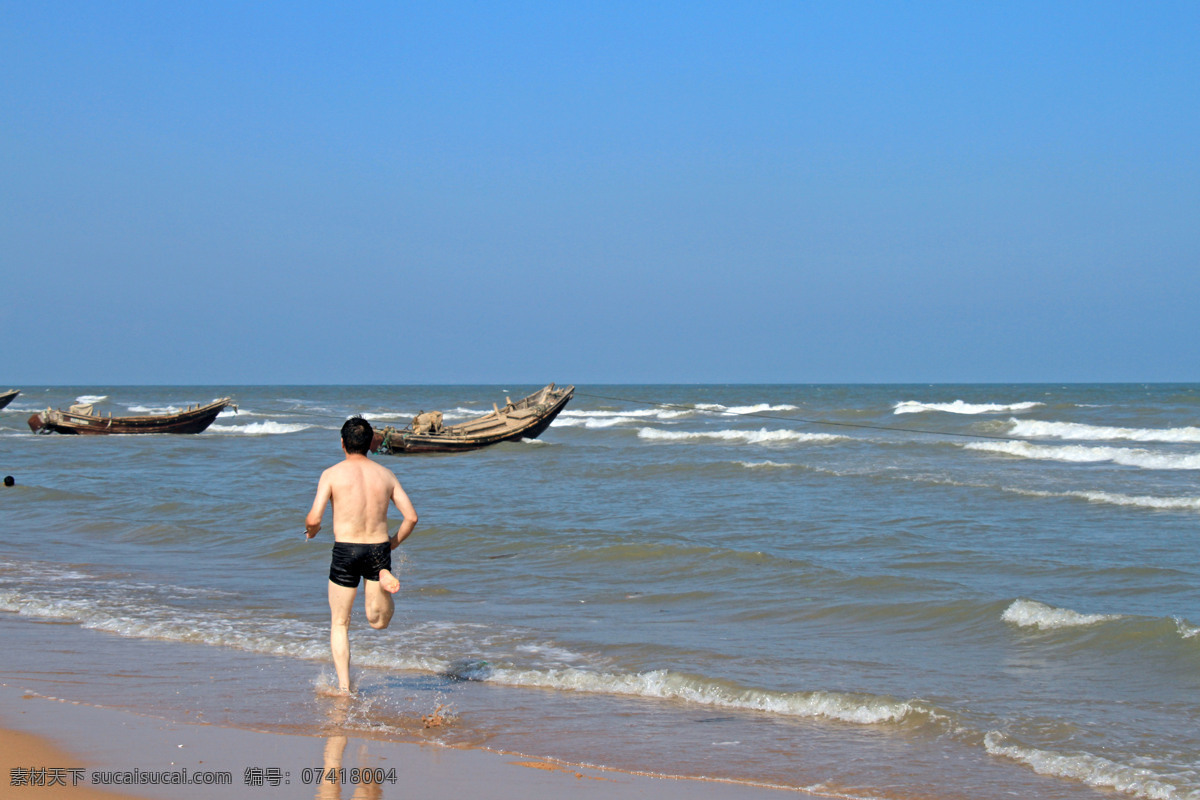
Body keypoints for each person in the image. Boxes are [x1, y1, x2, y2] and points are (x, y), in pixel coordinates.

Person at [305, 416, 418, 694]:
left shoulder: (331, 474)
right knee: (378, 622)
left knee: (340, 623)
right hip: (378, 548)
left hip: (345, 549)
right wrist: (392, 544)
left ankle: (344, 689)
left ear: (342, 443)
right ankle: (383, 575)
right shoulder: (386, 475)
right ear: (370, 444)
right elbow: (411, 518)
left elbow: (314, 517)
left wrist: (312, 530)